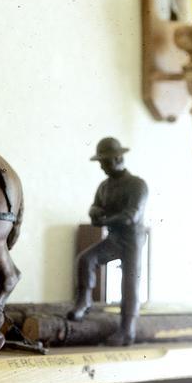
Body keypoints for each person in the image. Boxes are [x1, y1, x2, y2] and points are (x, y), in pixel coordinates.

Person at [67, 137, 148, 346]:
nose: (102, 166)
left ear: (118, 158)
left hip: (132, 240)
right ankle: (83, 301)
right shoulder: (104, 186)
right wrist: (96, 213)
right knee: (86, 259)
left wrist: (104, 218)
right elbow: (95, 207)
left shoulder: (137, 185)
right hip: (114, 238)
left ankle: (127, 330)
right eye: (101, 162)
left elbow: (131, 216)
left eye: (105, 161)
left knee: (129, 284)